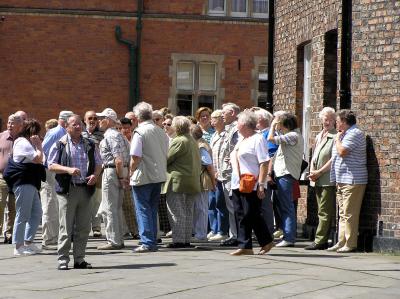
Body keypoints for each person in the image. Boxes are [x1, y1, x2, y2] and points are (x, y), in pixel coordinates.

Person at [48, 114, 102, 270]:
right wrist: (68, 170)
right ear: (67, 127)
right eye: (74, 124)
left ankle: (79, 259)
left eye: (80, 124)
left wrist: (95, 175)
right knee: (66, 227)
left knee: (84, 227)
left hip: (85, 189)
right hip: (68, 190)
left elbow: (99, 163)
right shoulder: (60, 144)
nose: (78, 127)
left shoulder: (90, 144)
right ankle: (63, 259)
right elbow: (51, 165)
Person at [229, 110, 274, 256]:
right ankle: (245, 245)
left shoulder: (258, 139)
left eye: (238, 122)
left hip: (252, 183)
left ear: (244, 124)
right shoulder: (241, 140)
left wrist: (261, 184)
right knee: (241, 214)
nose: (236, 124)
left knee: (251, 213)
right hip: (238, 182)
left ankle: (266, 240)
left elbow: (264, 162)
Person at [130, 102, 169, 252]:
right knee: (152, 209)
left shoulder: (140, 132)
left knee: (143, 209)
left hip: (143, 175)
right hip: (158, 175)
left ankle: (147, 241)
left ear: (138, 117)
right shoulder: (160, 131)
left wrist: (131, 171)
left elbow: (135, 156)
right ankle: (151, 239)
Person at [328, 110, 367, 253]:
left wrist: (337, 139)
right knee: (343, 213)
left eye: (337, 121)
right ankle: (341, 241)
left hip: (352, 179)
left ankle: (350, 243)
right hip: (342, 179)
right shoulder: (345, 134)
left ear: (344, 122)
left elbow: (342, 151)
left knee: (350, 213)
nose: (336, 124)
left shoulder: (354, 133)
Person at [5, 119, 45, 256]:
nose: (38, 136)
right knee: (22, 214)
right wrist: (39, 146)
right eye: (36, 133)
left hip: (31, 181)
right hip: (23, 182)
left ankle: (28, 241)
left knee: (36, 212)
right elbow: (38, 159)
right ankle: (18, 245)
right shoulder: (23, 143)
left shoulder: (26, 143)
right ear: (31, 132)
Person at [163, 116, 201, 248]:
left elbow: (167, 159)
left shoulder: (179, 140)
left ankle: (178, 240)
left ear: (177, 127)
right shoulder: (192, 140)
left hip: (178, 181)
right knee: (188, 211)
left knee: (176, 211)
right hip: (192, 181)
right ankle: (185, 239)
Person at [268, 112, 304, 247]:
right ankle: (287, 235)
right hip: (283, 174)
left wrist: (272, 126)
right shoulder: (290, 136)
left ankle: (289, 237)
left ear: (287, 125)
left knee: (287, 207)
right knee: (284, 206)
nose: (279, 128)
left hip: (286, 174)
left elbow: (271, 139)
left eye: (281, 125)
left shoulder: (293, 136)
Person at [97, 108, 130, 250]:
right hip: (120, 171)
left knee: (110, 207)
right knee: (115, 207)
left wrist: (121, 177)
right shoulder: (119, 135)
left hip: (112, 171)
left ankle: (113, 240)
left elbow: (118, 160)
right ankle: (118, 238)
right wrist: (124, 175)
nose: (99, 120)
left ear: (109, 120)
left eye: (102, 118)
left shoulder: (110, 135)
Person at [305, 107, 337, 250]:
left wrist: (319, 171)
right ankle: (321, 238)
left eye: (330, 119)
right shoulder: (319, 136)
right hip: (317, 177)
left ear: (335, 120)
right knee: (320, 209)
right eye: (325, 119)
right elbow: (315, 155)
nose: (327, 121)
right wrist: (312, 170)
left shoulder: (336, 136)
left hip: (327, 178)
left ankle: (320, 240)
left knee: (324, 210)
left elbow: (333, 159)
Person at [41, 110, 73, 249]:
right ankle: (49, 239)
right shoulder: (56, 133)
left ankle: (54, 237)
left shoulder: (61, 132)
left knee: (54, 204)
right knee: (49, 204)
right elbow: (44, 152)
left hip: (57, 171)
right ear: (65, 121)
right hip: (50, 171)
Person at [219, 102, 241, 246]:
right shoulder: (229, 129)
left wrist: (234, 156)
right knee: (230, 207)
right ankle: (235, 234)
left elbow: (239, 147)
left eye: (224, 112)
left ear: (232, 113)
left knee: (234, 207)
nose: (222, 115)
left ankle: (238, 235)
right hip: (226, 173)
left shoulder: (236, 129)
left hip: (232, 173)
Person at [190, 124, 216, 241]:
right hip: (198, 178)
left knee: (201, 208)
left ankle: (201, 234)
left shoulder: (201, 146)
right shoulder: (199, 144)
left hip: (202, 178)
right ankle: (198, 232)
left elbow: (209, 166)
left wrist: (213, 182)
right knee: (198, 207)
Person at [0, 114, 23, 244]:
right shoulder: (1, 137)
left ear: (19, 126)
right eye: (8, 122)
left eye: (13, 123)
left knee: (13, 207)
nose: (9, 125)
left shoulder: (23, 139)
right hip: (2, 176)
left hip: (17, 178)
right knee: (0, 203)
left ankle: (9, 233)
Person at [82, 110, 104, 238]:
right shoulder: (81, 134)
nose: (93, 120)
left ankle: (96, 227)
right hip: (82, 171)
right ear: (85, 120)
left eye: (95, 118)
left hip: (97, 171)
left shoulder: (102, 134)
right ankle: (83, 227)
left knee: (96, 200)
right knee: (83, 200)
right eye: (90, 118)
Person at [208, 109, 229, 241]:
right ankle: (214, 228)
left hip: (221, 174)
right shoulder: (215, 135)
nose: (212, 121)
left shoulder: (226, 135)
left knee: (221, 204)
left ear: (222, 119)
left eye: (214, 118)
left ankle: (222, 230)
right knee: (212, 203)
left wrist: (217, 172)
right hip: (212, 173)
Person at [119, 117, 139, 239]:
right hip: (120, 171)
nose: (125, 130)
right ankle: (123, 229)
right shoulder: (118, 139)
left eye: (127, 127)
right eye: (123, 128)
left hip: (130, 172)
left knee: (129, 204)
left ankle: (134, 230)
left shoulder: (134, 139)